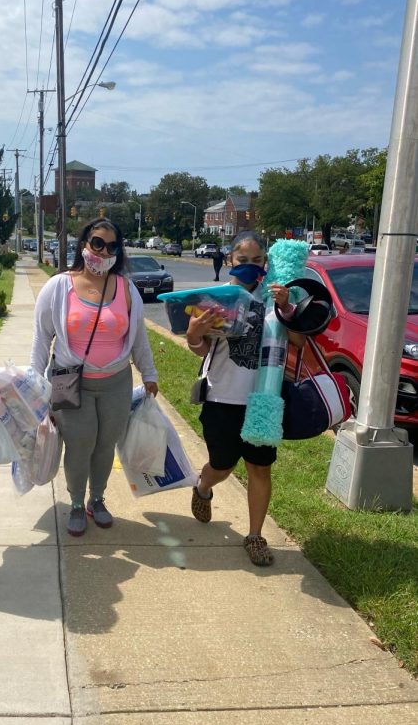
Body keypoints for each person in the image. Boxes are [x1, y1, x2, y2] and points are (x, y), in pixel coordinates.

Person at [31, 218, 159, 536]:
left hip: (116, 382)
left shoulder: (126, 289)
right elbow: (41, 337)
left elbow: (138, 336)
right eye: (97, 243)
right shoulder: (59, 286)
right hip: (69, 380)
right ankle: (76, 503)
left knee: (105, 445)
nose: (103, 251)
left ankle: (96, 499)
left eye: (111, 246)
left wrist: (149, 372)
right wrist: (33, 382)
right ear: (85, 244)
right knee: (79, 444)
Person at [186, 231, 305, 566]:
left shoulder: (277, 299)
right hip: (222, 397)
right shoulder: (217, 298)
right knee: (222, 466)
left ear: (265, 263)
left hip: (262, 402)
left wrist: (286, 308)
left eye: (257, 260)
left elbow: (298, 342)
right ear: (229, 260)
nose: (250, 266)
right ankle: (203, 487)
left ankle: (254, 535)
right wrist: (195, 334)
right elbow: (202, 347)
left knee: (259, 468)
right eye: (243, 260)